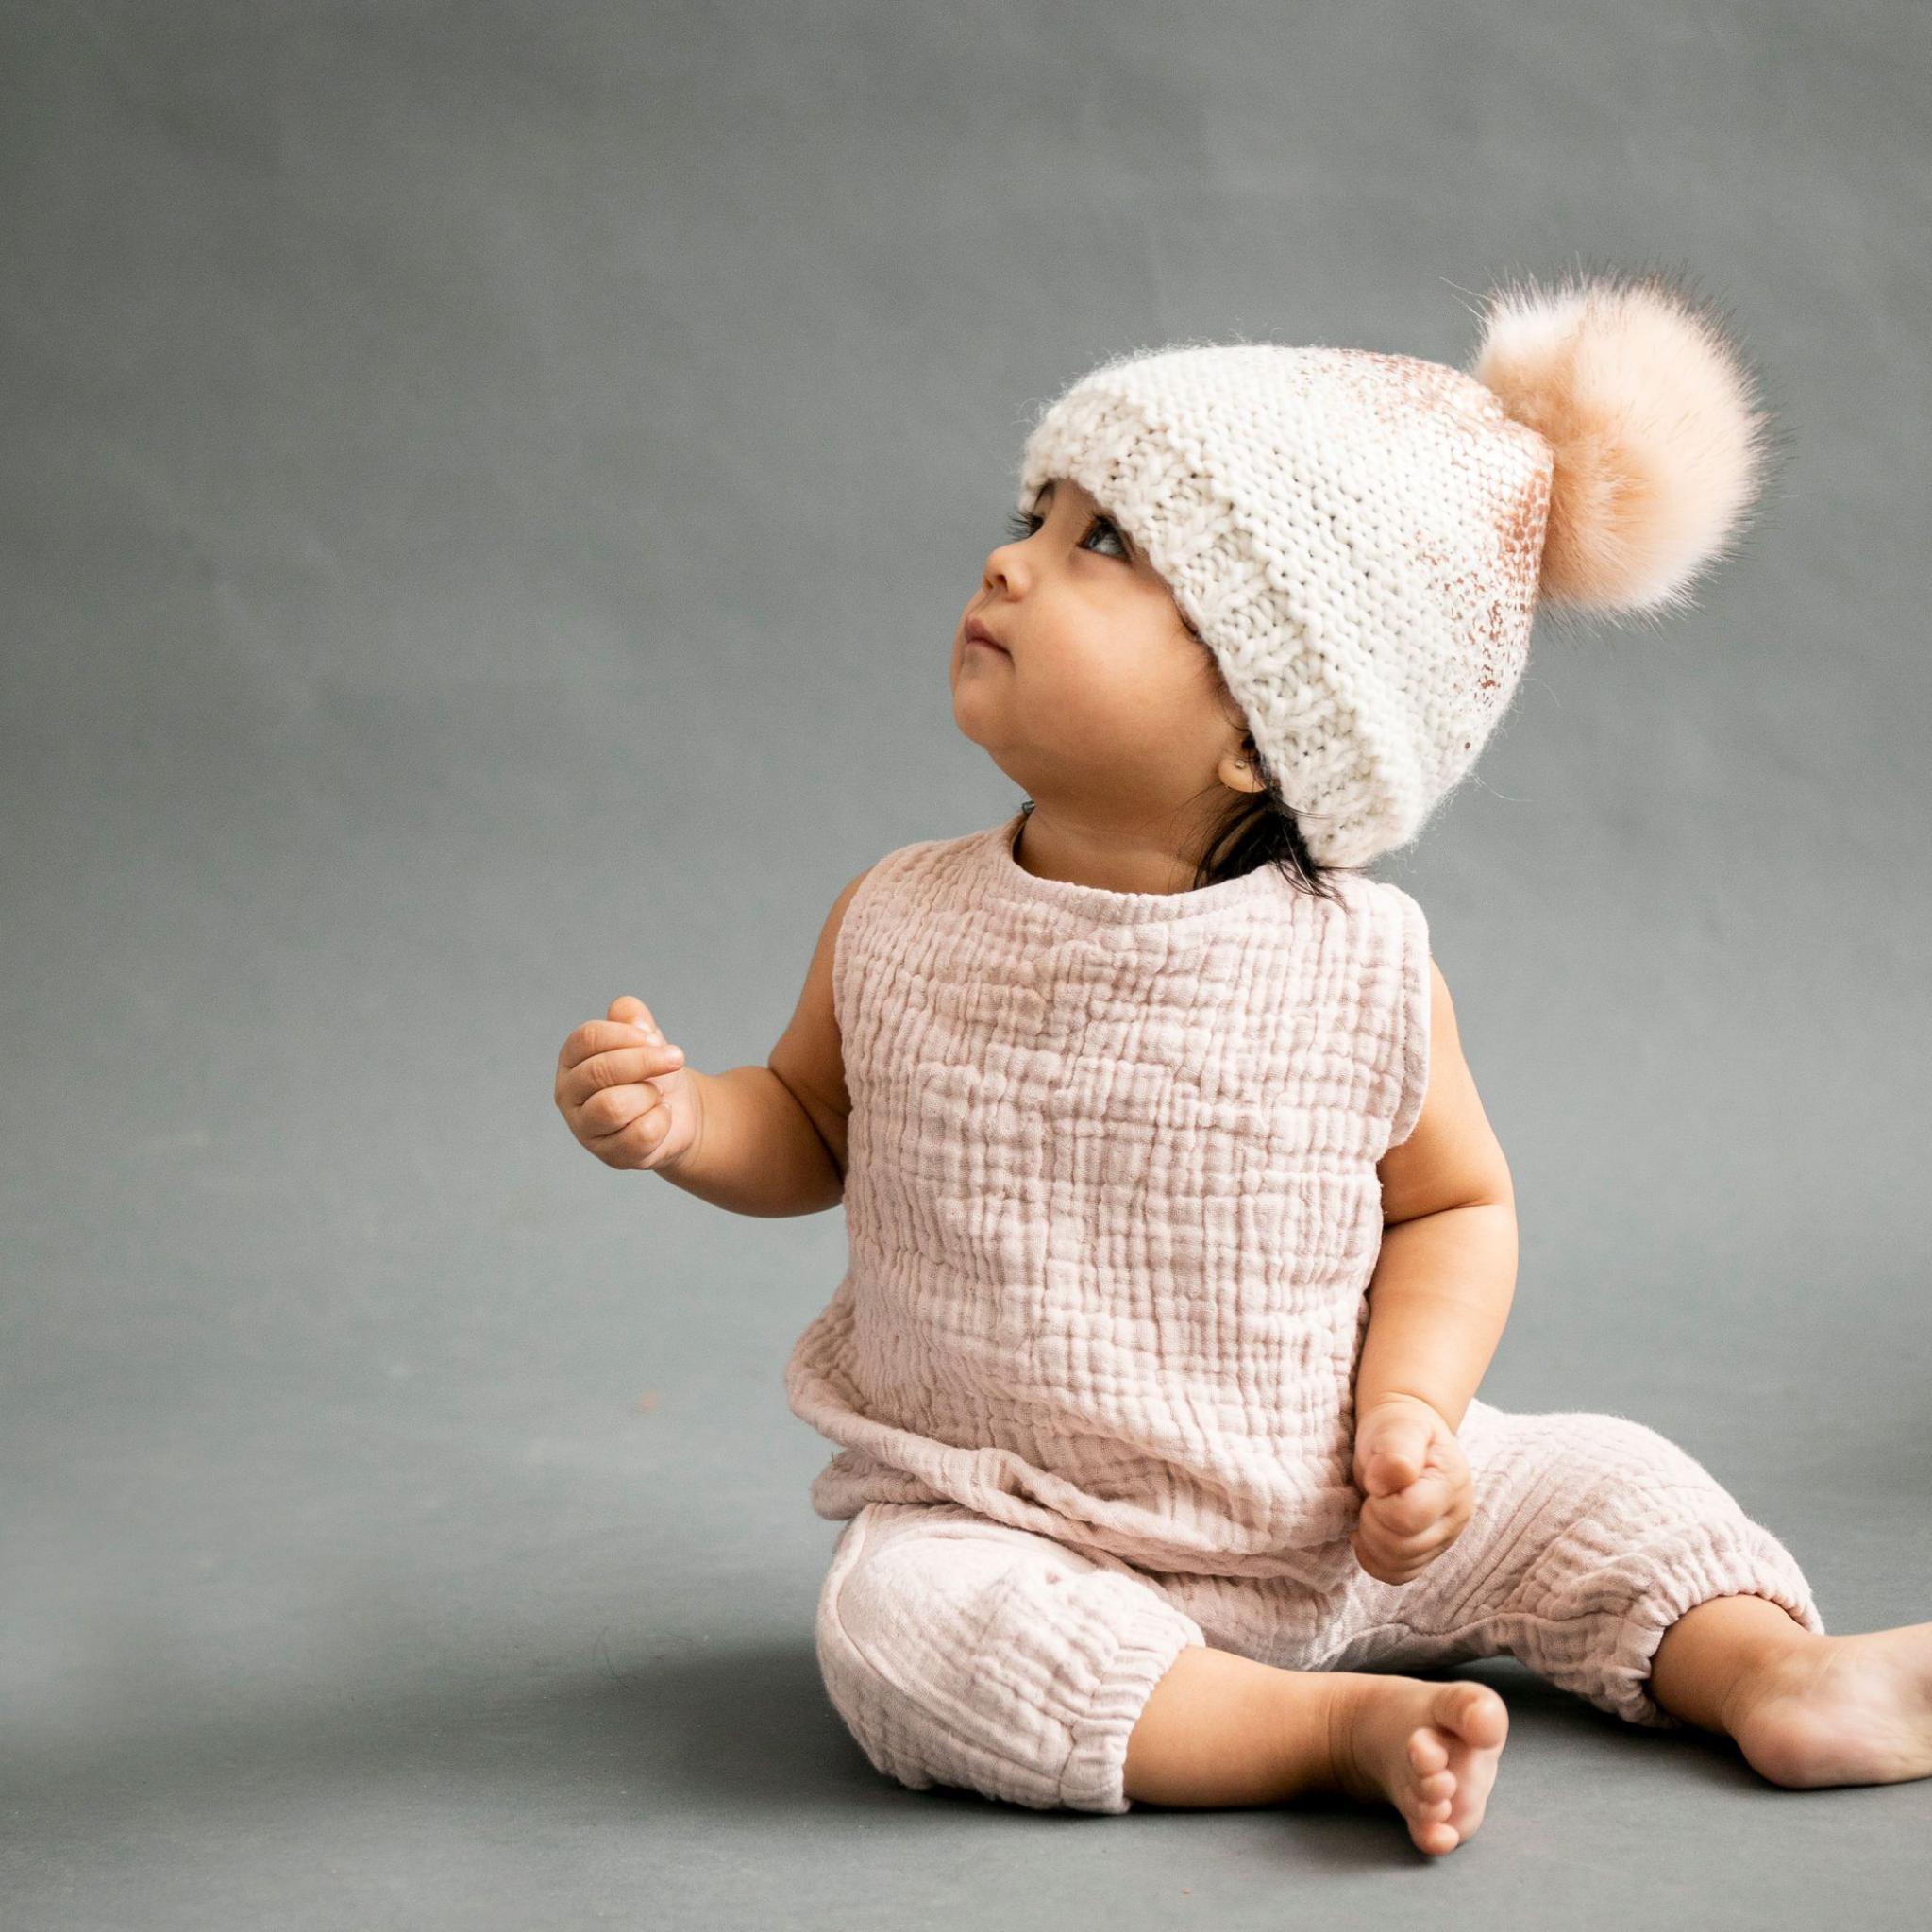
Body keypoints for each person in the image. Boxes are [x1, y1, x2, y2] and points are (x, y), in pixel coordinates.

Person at [553, 267, 1932, 1856]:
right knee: (902, 1632)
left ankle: (1774, 1670)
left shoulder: (1363, 970)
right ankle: (1318, 1730)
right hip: (1022, 1528)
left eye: (1104, 545)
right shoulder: (900, 920)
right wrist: (687, 1122)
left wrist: (1414, 1415)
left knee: (1597, 1484)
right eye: (1036, 515)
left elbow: (1454, 1210)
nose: (1008, 557)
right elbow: (803, 1123)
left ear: (1266, 729)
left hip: (1348, 1520)